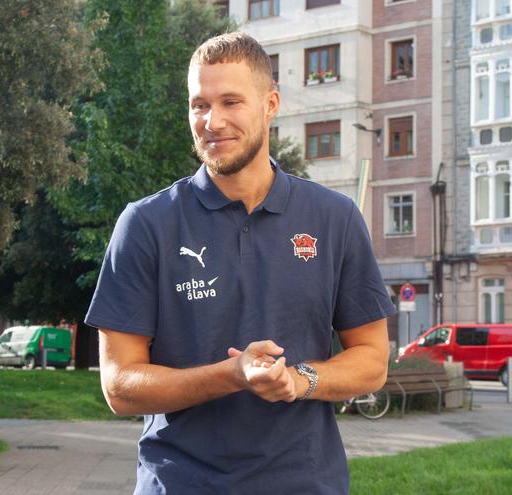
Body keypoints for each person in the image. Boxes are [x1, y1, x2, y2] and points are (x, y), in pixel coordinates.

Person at [85, 32, 395, 494]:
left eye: (231, 102)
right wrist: (231, 375)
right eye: (199, 105)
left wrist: (299, 380)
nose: (212, 121)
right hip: (179, 484)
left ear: (271, 105)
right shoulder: (148, 223)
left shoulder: (335, 218)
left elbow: (372, 359)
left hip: (304, 483)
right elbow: (119, 385)